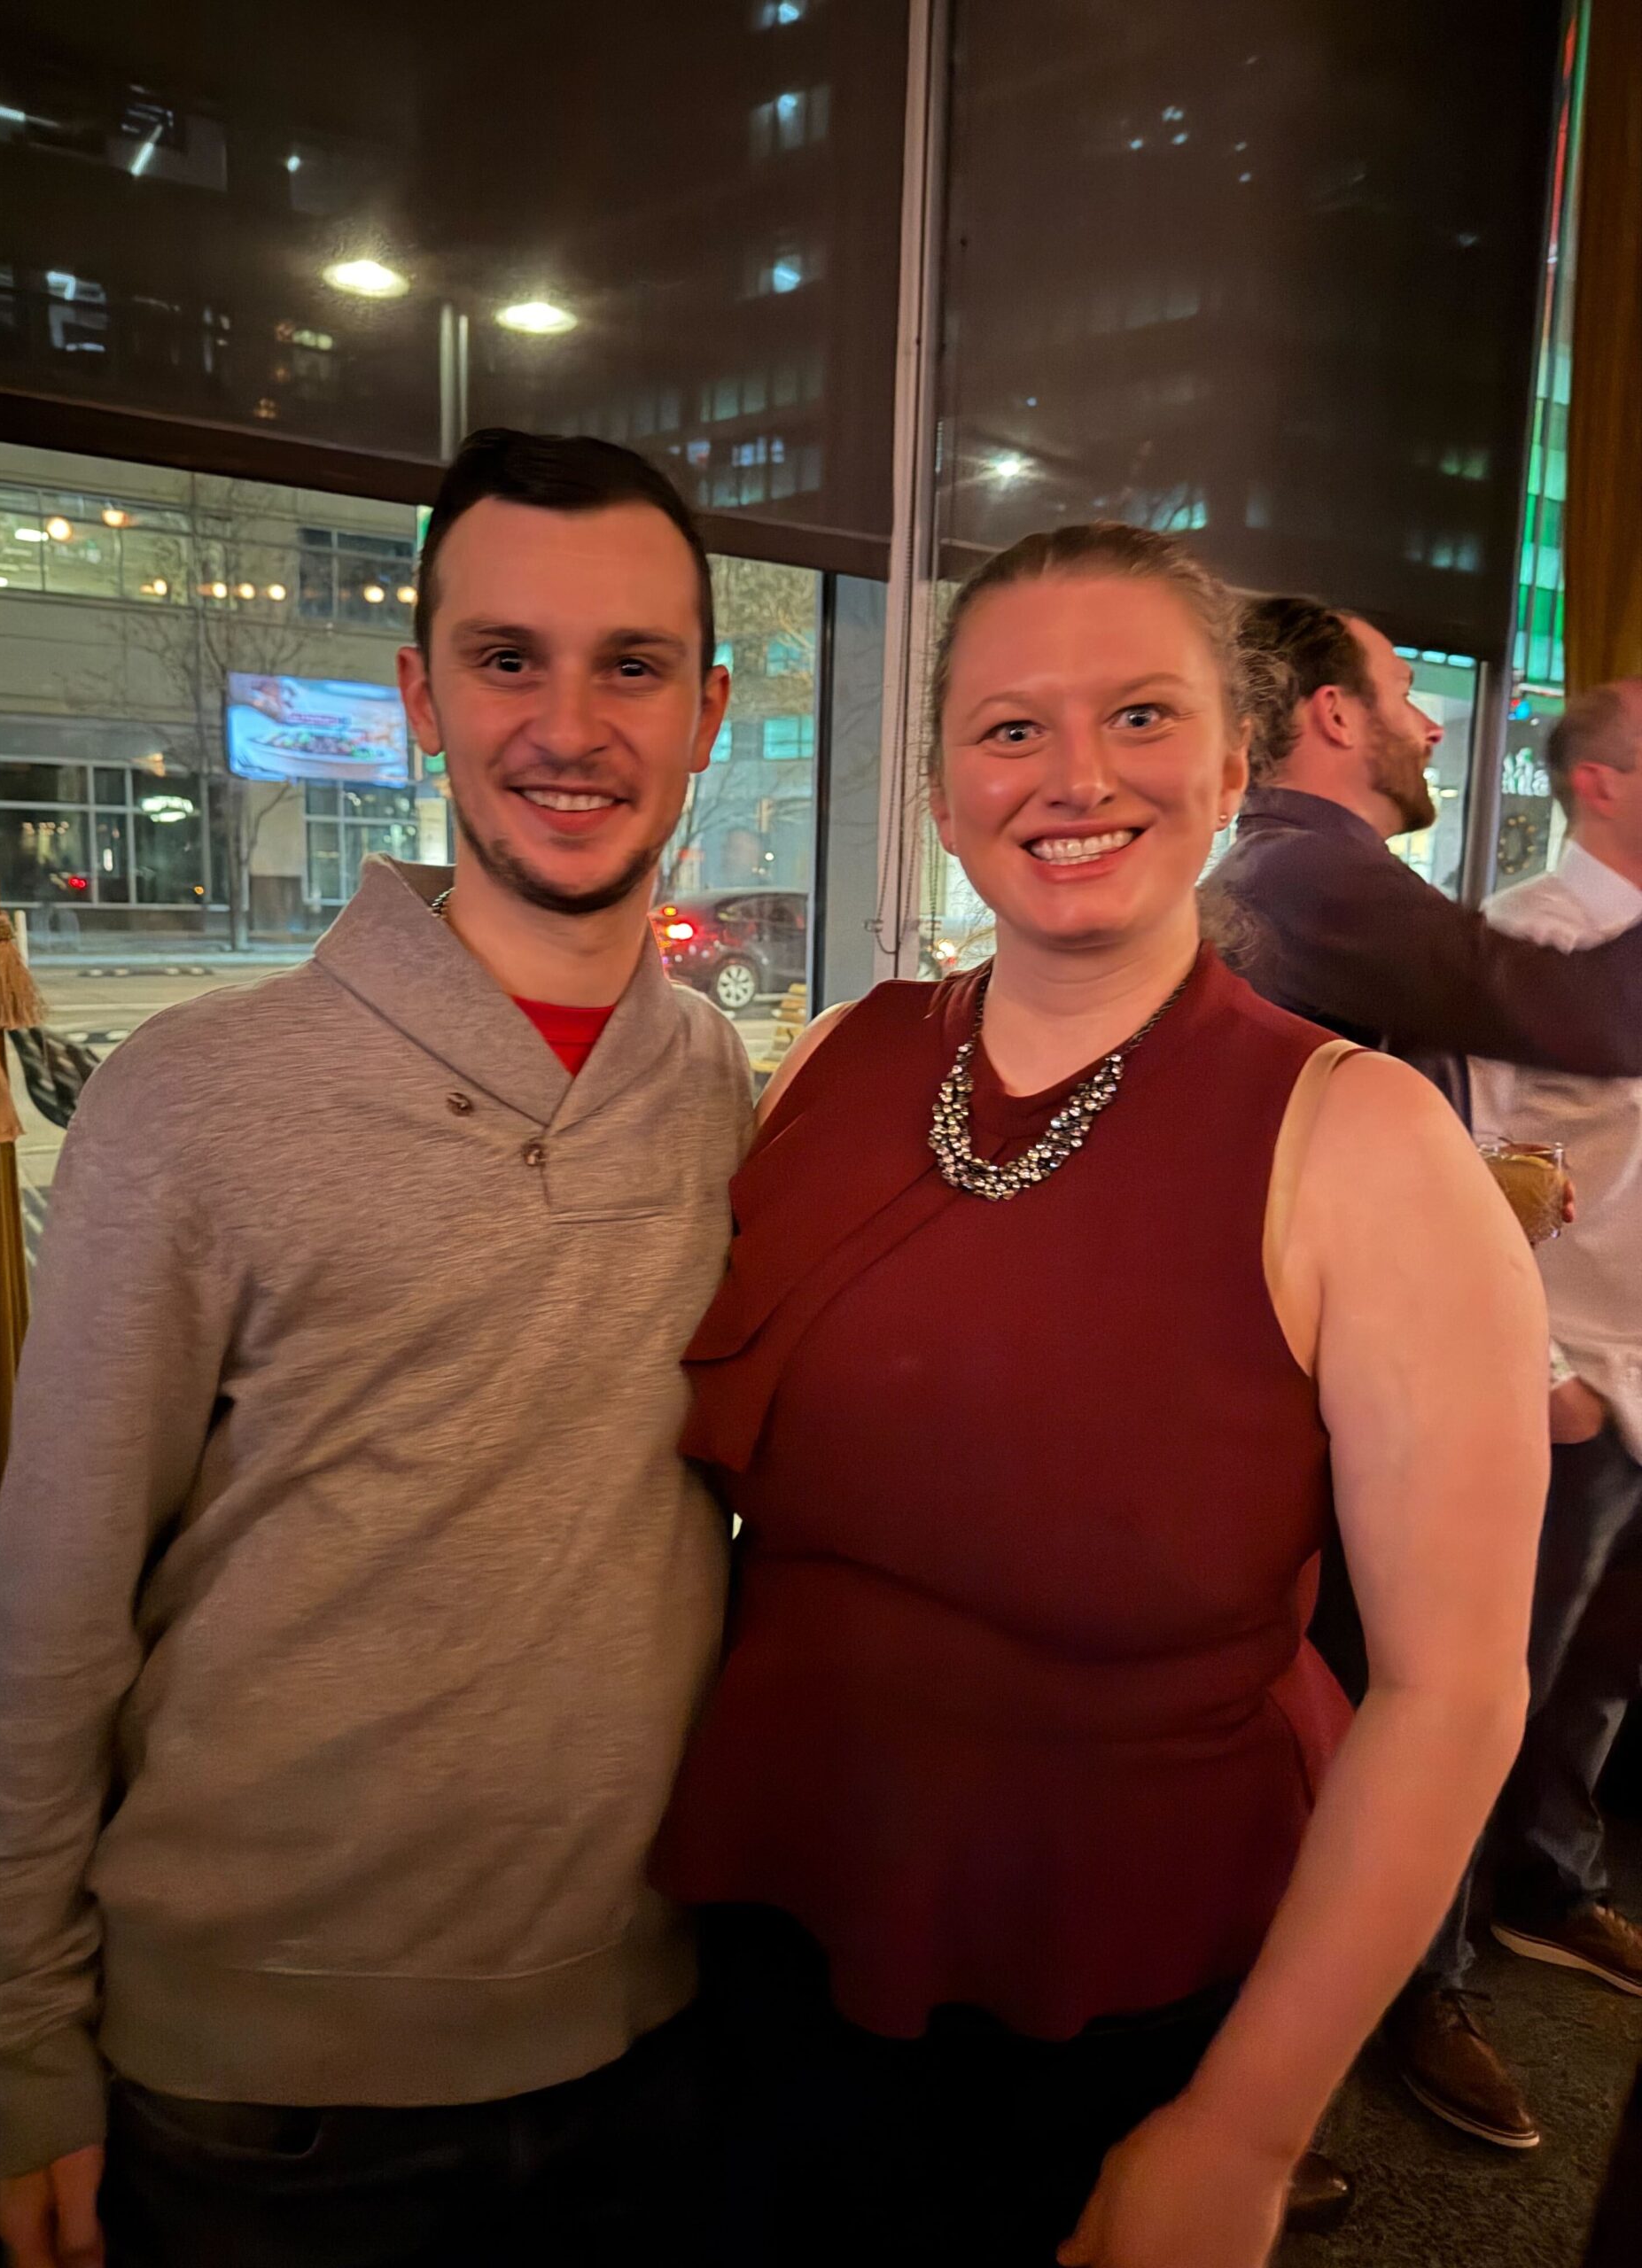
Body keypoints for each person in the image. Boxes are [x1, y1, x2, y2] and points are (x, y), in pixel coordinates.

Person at [652, 524, 1547, 2268]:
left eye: (1140, 715)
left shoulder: (1364, 1142)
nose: (1076, 775)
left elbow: (1450, 1693)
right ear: (941, 789)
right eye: (1011, 727)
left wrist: (1246, 2127)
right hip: (766, 1909)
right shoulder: (836, 1057)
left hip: (1112, 1990)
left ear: (1232, 761)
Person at [0, 429, 751, 2268]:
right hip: (264, 2093)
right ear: (419, 697)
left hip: (646, 2027)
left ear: (707, 710)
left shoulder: (713, 1080)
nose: (569, 724)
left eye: (632, 664)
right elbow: (54, 1607)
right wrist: (20, 2036)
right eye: (507, 657)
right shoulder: (194, 1099)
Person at [1392, 680, 1642, 2152]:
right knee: (1482, 1695)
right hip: (1572, 1379)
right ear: (1600, 783)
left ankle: (1551, 1887)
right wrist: (1541, 1370)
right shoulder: (1522, 946)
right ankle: (1425, 1983)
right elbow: (1471, 1164)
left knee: (1602, 1677)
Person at [1209, 596, 1642, 1122]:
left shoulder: (1285, 865)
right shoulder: (1309, 879)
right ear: (1337, 715)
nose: (1432, 729)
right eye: (1404, 694)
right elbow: (1604, 1019)